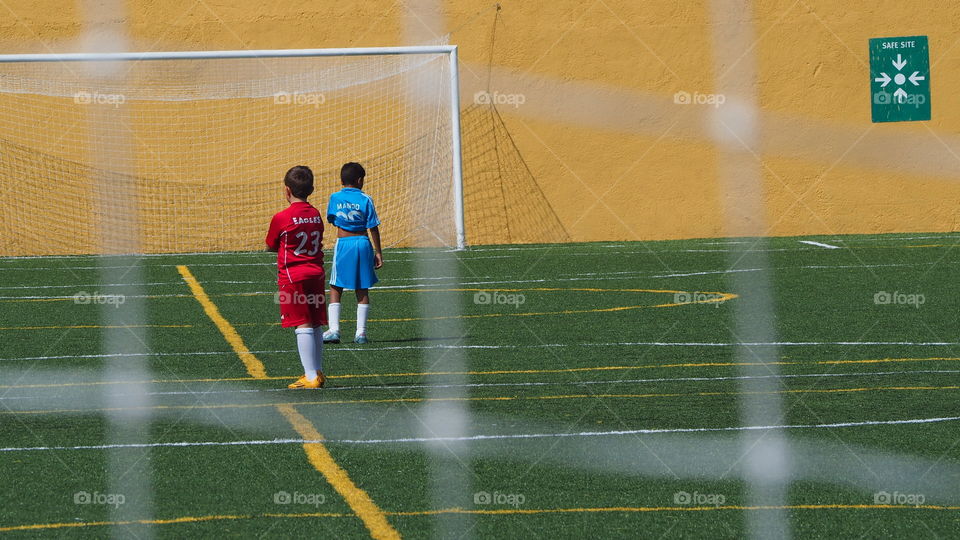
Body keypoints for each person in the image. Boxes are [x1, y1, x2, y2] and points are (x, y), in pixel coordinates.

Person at [265, 165, 327, 389]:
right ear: (311, 189)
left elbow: (271, 244)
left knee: (302, 324)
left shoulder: (282, 217)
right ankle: (317, 371)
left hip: (294, 276)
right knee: (316, 322)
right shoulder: (316, 213)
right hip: (316, 273)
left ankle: (310, 376)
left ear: (286, 190)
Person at [322, 162, 383, 344]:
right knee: (362, 287)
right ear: (359, 180)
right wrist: (378, 252)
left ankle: (334, 330)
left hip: (344, 244)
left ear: (342, 180)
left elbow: (333, 219)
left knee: (335, 285)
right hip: (363, 242)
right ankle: (361, 333)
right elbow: (373, 227)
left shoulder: (334, 198)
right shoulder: (366, 199)